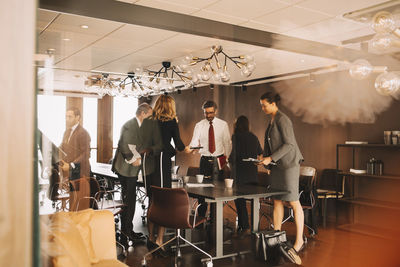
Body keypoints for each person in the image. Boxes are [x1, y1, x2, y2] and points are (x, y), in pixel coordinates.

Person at [258, 92, 304, 265]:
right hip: (277, 167)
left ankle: (299, 241)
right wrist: (265, 158)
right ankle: (276, 237)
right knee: (277, 200)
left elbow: (289, 144)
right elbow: (271, 144)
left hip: (289, 166)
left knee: (293, 202)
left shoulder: (283, 119)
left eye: (264, 105)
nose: (262, 108)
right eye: (261, 105)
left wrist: (271, 158)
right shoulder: (271, 119)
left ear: (273, 103)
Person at [112, 103, 163, 247]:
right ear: (142, 113)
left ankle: (127, 230)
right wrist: (133, 159)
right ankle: (127, 232)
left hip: (133, 170)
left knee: (130, 199)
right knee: (129, 200)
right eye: (150, 115)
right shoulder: (130, 125)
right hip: (125, 169)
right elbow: (124, 145)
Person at [148, 95, 185, 252]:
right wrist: (183, 148)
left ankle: (150, 237)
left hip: (149, 163)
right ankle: (159, 239)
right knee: (163, 202)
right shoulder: (171, 122)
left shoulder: (149, 121)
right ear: (170, 107)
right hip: (162, 163)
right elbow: (179, 144)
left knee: (152, 200)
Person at [185, 100, 231, 218]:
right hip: (205, 159)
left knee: (218, 190)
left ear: (216, 111)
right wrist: (190, 148)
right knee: (202, 190)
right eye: (206, 113)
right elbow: (194, 141)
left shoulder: (223, 124)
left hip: (219, 159)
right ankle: (201, 217)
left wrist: (227, 160)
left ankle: (215, 217)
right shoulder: (199, 125)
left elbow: (227, 143)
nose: (208, 115)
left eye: (211, 113)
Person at [228, 115, 263, 237]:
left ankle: (244, 226)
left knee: (240, 201)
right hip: (252, 175)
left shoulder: (236, 136)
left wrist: (229, 160)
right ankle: (255, 228)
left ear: (237, 125)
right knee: (254, 201)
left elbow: (234, 155)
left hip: (240, 175)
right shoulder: (254, 137)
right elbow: (260, 153)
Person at [59, 107, 91, 179]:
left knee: (77, 190)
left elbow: (86, 154)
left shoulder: (83, 133)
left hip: (80, 172)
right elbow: (62, 147)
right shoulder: (66, 132)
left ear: (77, 117)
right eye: (66, 117)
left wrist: (71, 165)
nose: (67, 119)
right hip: (70, 172)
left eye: (70, 117)